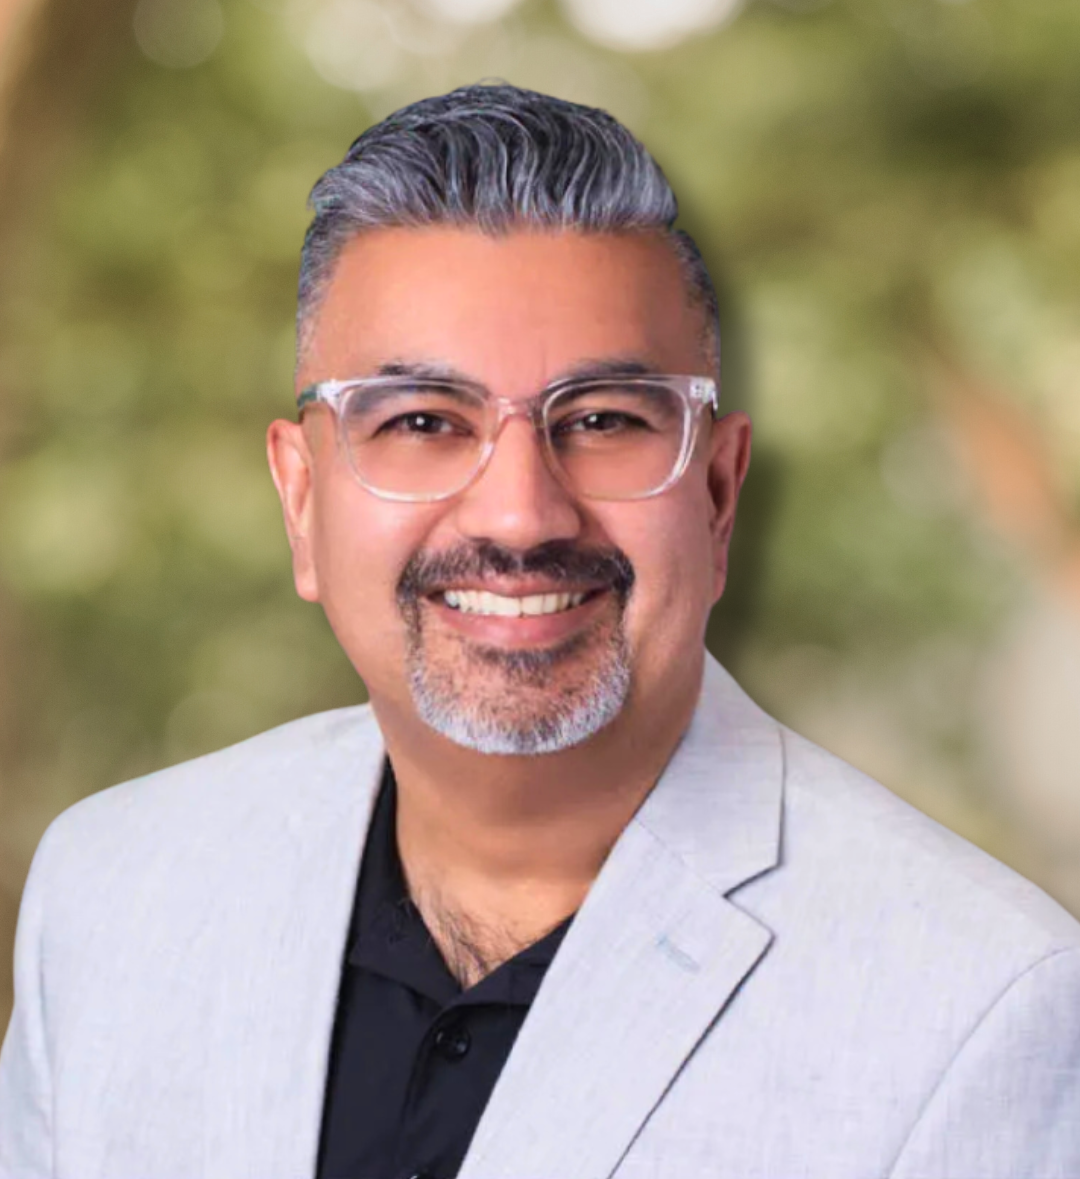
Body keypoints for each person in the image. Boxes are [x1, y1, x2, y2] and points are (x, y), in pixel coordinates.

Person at [1, 84, 1078, 1179]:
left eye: (605, 419)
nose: (520, 515)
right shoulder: (112, 895)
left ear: (717, 495)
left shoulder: (982, 1010)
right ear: (300, 503)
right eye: (422, 421)